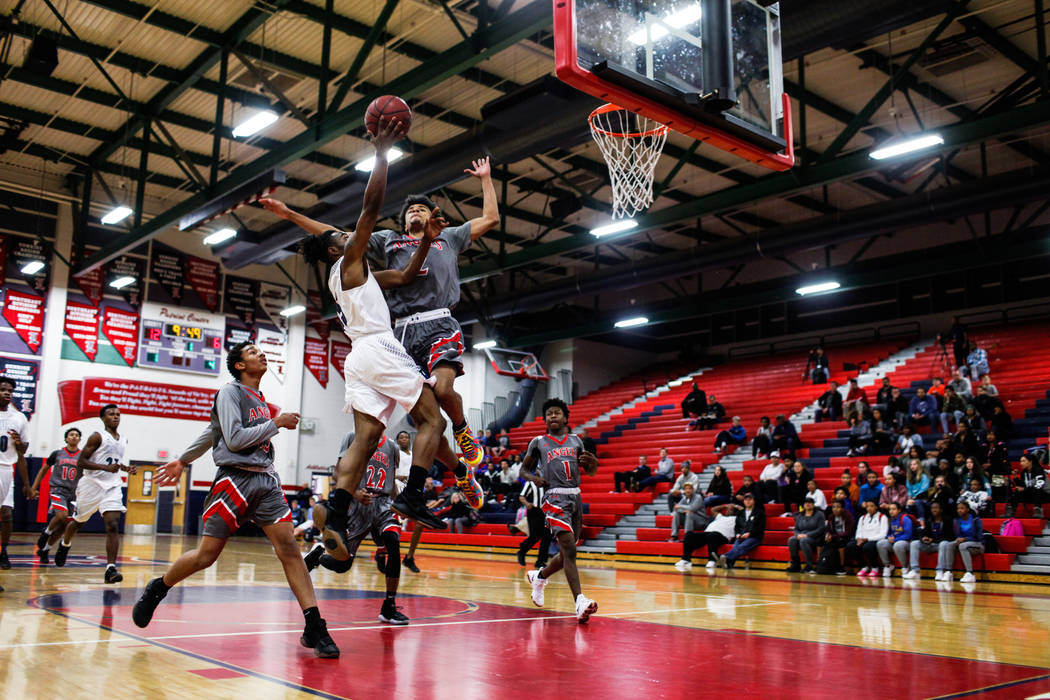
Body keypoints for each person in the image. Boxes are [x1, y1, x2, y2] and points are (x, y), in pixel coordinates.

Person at [273, 122, 488, 555]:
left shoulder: (350, 274)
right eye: (339, 236)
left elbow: (408, 275)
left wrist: (426, 243)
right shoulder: (351, 257)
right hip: (381, 346)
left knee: (366, 438)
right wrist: (383, 153)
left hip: (358, 360)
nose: (346, 235)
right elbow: (371, 207)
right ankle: (415, 495)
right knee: (434, 421)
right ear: (336, 248)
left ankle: (334, 515)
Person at [266, 157, 500, 473]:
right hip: (401, 332)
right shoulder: (388, 240)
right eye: (410, 211)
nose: (416, 212)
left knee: (444, 390)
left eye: (422, 209)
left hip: (439, 320)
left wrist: (485, 178)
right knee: (426, 420)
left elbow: (491, 218)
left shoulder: (450, 237)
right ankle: (459, 471)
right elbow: (337, 237)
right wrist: (289, 214)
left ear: (433, 216)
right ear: (403, 223)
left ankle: (462, 429)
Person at [131, 343, 339, 657]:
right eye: (253, 351)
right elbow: (232, 438)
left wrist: (183, 460)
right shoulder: (230, 393)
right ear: (240, 365)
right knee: (206, 556)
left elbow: (211, 432)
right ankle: (158, 587)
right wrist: (276, 424)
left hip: (265, 480)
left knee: (290, 550)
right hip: (234, 480)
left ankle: (314, 625)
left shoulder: (258, 399)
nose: (261, 354)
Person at [303, 434, 409, 625]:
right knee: (343, 564)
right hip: (357, 505)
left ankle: (389, 607)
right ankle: (318, 555)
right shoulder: (353, 437)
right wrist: (355, 492)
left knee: (394, 544)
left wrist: (401, 505)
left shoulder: (392, 447)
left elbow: (391, 481)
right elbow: (337, 474)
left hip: (383, 504)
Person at [521, 398, 600, 623]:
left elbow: (591, 471)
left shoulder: (576, 441)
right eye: (548, 414)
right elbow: (524, 470)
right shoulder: (538, 442)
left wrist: (593, 463)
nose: (552, 416)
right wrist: (534, 477)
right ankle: (579, 602)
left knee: (566, 552)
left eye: (556, 413)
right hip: (554, 497)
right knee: (569, 550)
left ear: (565, 418)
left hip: (575, 497)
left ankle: (540, 576)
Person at [53, 404, 135, 582]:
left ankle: (110, 569)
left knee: (113, 524)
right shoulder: (97, 436)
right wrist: (105, 467)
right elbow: (81, 462)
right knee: (78, 521)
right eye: (111, 414)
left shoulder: (123, 440)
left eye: (118, 414)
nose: (115, 417)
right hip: (91, 484)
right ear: (103, 418)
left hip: (112, 485)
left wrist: (125, 468)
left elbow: (114, 461)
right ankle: (65, 544)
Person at [32, 427, 82, 564]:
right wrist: (34, 487)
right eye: (71, 434)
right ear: (66, 438)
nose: (74, 437)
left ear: (79, 439)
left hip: (74, 493)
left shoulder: (83, 456)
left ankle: (45, 550)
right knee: (62, 515)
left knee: (63, 526)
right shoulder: (57, 453)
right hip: (58, 489)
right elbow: (44, 470)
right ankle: (46, 532)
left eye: (77, 435)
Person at [0, 376, 32, 576]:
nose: (7, 392)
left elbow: (22, 452)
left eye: (9, 390)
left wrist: (27, 484)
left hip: (5, 470)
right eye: (3, 389)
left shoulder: (19, 418)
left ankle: (3, 551)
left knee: (6, 515)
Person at [675, 502, 736, 571]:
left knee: (713, 535)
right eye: (728, 509)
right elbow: (713, 510)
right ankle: (686, 559)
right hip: (707, 534)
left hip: (722, 536)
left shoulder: (738, 518)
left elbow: (745, 511)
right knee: (689, 535)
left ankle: (712, 561)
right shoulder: (721, 517)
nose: (728, 510)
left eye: (731, 510)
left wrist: (736, 506)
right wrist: (725, 506)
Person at [904, 500, 953, 580]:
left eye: (936, 508)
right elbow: (924, 533)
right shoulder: (929, 520)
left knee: (944, 544)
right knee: (914, 543)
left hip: (939, 545)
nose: (934, 510)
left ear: (941, 510)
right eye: (932, 508)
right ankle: (915, 571)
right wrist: (923, 538)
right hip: (930, 544)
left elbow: (949, 537)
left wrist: (933, 539)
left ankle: (940, 571)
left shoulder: (947, 520)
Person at [717, 494, 765, 568]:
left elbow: (760, 528)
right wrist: (738, 534)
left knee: (741, 547)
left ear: (754, 501)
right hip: (741, 537)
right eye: (746, 499)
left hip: (755, 537)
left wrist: (750, 534)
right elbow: (737, 527)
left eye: (750, 499)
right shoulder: (740, 513)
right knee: (736, 547)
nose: (748, 501)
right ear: (743, 501)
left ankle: (723, 557)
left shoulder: (759, 512)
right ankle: (728, 564)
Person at [514, 476, 551, 568]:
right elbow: (521, 497)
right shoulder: (530, 483)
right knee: (535, 536)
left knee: (547, 537)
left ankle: (540, 561)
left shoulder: (549, 483)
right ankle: (522, 551)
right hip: (534, 511)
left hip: (546, 512)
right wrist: (527, 504)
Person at [944, 501, 984, 583]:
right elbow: (958, 535)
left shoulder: (975, 520)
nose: (959, 510)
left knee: (962, 546)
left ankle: (970, 573)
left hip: (978, 544)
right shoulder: (956, 520)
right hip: (965, 543)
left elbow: (979, 537)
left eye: (962, 508)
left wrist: (965, 539)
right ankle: (948, 571)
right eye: (958, 508)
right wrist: (959, 539)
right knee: (949, 545)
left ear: (968, 509)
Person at [847, 500, 888, 576]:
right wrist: (858, 538)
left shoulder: (882, 517)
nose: (869, 508)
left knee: (868, 547)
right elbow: (859, 530)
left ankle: (875, 567)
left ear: (876, 507)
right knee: (851, 546)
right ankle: (864, 566)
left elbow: (883, 534)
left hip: (875, 539)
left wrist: (868, 539)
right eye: (867, 506)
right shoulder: (863, 517)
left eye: (871, 506)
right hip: (863, 539)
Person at [786, 498, 826, 573]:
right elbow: (796, 529)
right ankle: (795, 564)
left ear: (813, 505)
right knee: (791, 540)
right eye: (806, 503)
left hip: (815, 537)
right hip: (801, 536)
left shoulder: (819, 514)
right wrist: (797, 535)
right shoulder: (800, 515)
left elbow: (821, 529)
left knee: (803, 541)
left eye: (810, 503)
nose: (807, 504)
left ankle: (809, 565)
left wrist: (807, 535)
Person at [876, 502, 914, 577]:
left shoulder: (905, 519)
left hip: (907, 543)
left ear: (899, 510)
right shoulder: (892, 520)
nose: (891, 511)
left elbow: (908, 535)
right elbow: (888, 534)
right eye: (890, 509)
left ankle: (906, 567)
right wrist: (889, 537)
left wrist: (896, 539)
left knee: (898, 545)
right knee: (880, 543)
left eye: (894, 509)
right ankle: (888, 566)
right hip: (895, 541)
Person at [822, 499, 855, 575]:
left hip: (847, 537)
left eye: (838, 507)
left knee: (840, 542)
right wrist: (827, 535)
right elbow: (828, 529)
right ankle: (822, 564)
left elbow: (848, 532)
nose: (835, 509)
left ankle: (842, 567)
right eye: (833, 507)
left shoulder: (848, 516)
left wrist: (833, 536)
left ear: (843, 508)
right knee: (821, 541)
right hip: (835, 537)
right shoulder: (831, 516)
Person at [1007, 454, 1046, 518]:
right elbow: (1023, 486)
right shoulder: (1024, 473)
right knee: (1016, 492)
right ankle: (1010, 512)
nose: (1021, 463)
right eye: (1020, 461)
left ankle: (1038, 511)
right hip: (1030, 494)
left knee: (1037, 490)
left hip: (1043, 494)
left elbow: (1039, 485)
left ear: (1030, 462)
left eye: (1023, 461)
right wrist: (1016, 477)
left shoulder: (1039, 470)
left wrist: (1024, 489)